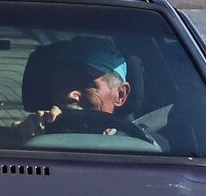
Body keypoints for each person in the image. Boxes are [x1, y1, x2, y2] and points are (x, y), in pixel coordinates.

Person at [15, 39, 154, 143]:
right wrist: (23, 139)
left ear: (121, 94)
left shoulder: (146, 149)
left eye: (86, 85)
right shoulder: (38, 136)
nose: (70, 95)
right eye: (62, 85)